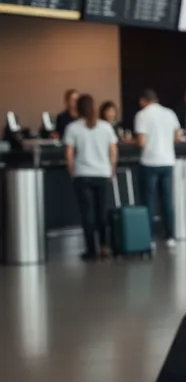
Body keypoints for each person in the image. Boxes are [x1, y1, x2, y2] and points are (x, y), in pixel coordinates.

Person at [64, 94, 118, 261]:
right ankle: (104, 246)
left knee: (87, 214)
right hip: (102, 173)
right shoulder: (106, 127)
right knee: (102, 211)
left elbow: (69, 153)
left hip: (83, 175)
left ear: (78, 109)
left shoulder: (73, 128)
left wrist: (72, 171)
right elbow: (113, 150)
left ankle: (90, 249)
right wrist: (111, 169)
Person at [134, 89, 183, 249]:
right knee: (167, 201)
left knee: (149, 201)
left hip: (149, 161)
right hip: (168, 161)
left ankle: (149, 238)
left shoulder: (142, 115)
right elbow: (177, 137)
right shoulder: (170, 113)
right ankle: (170, 236)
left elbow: (141, 141)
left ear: (143, 101)